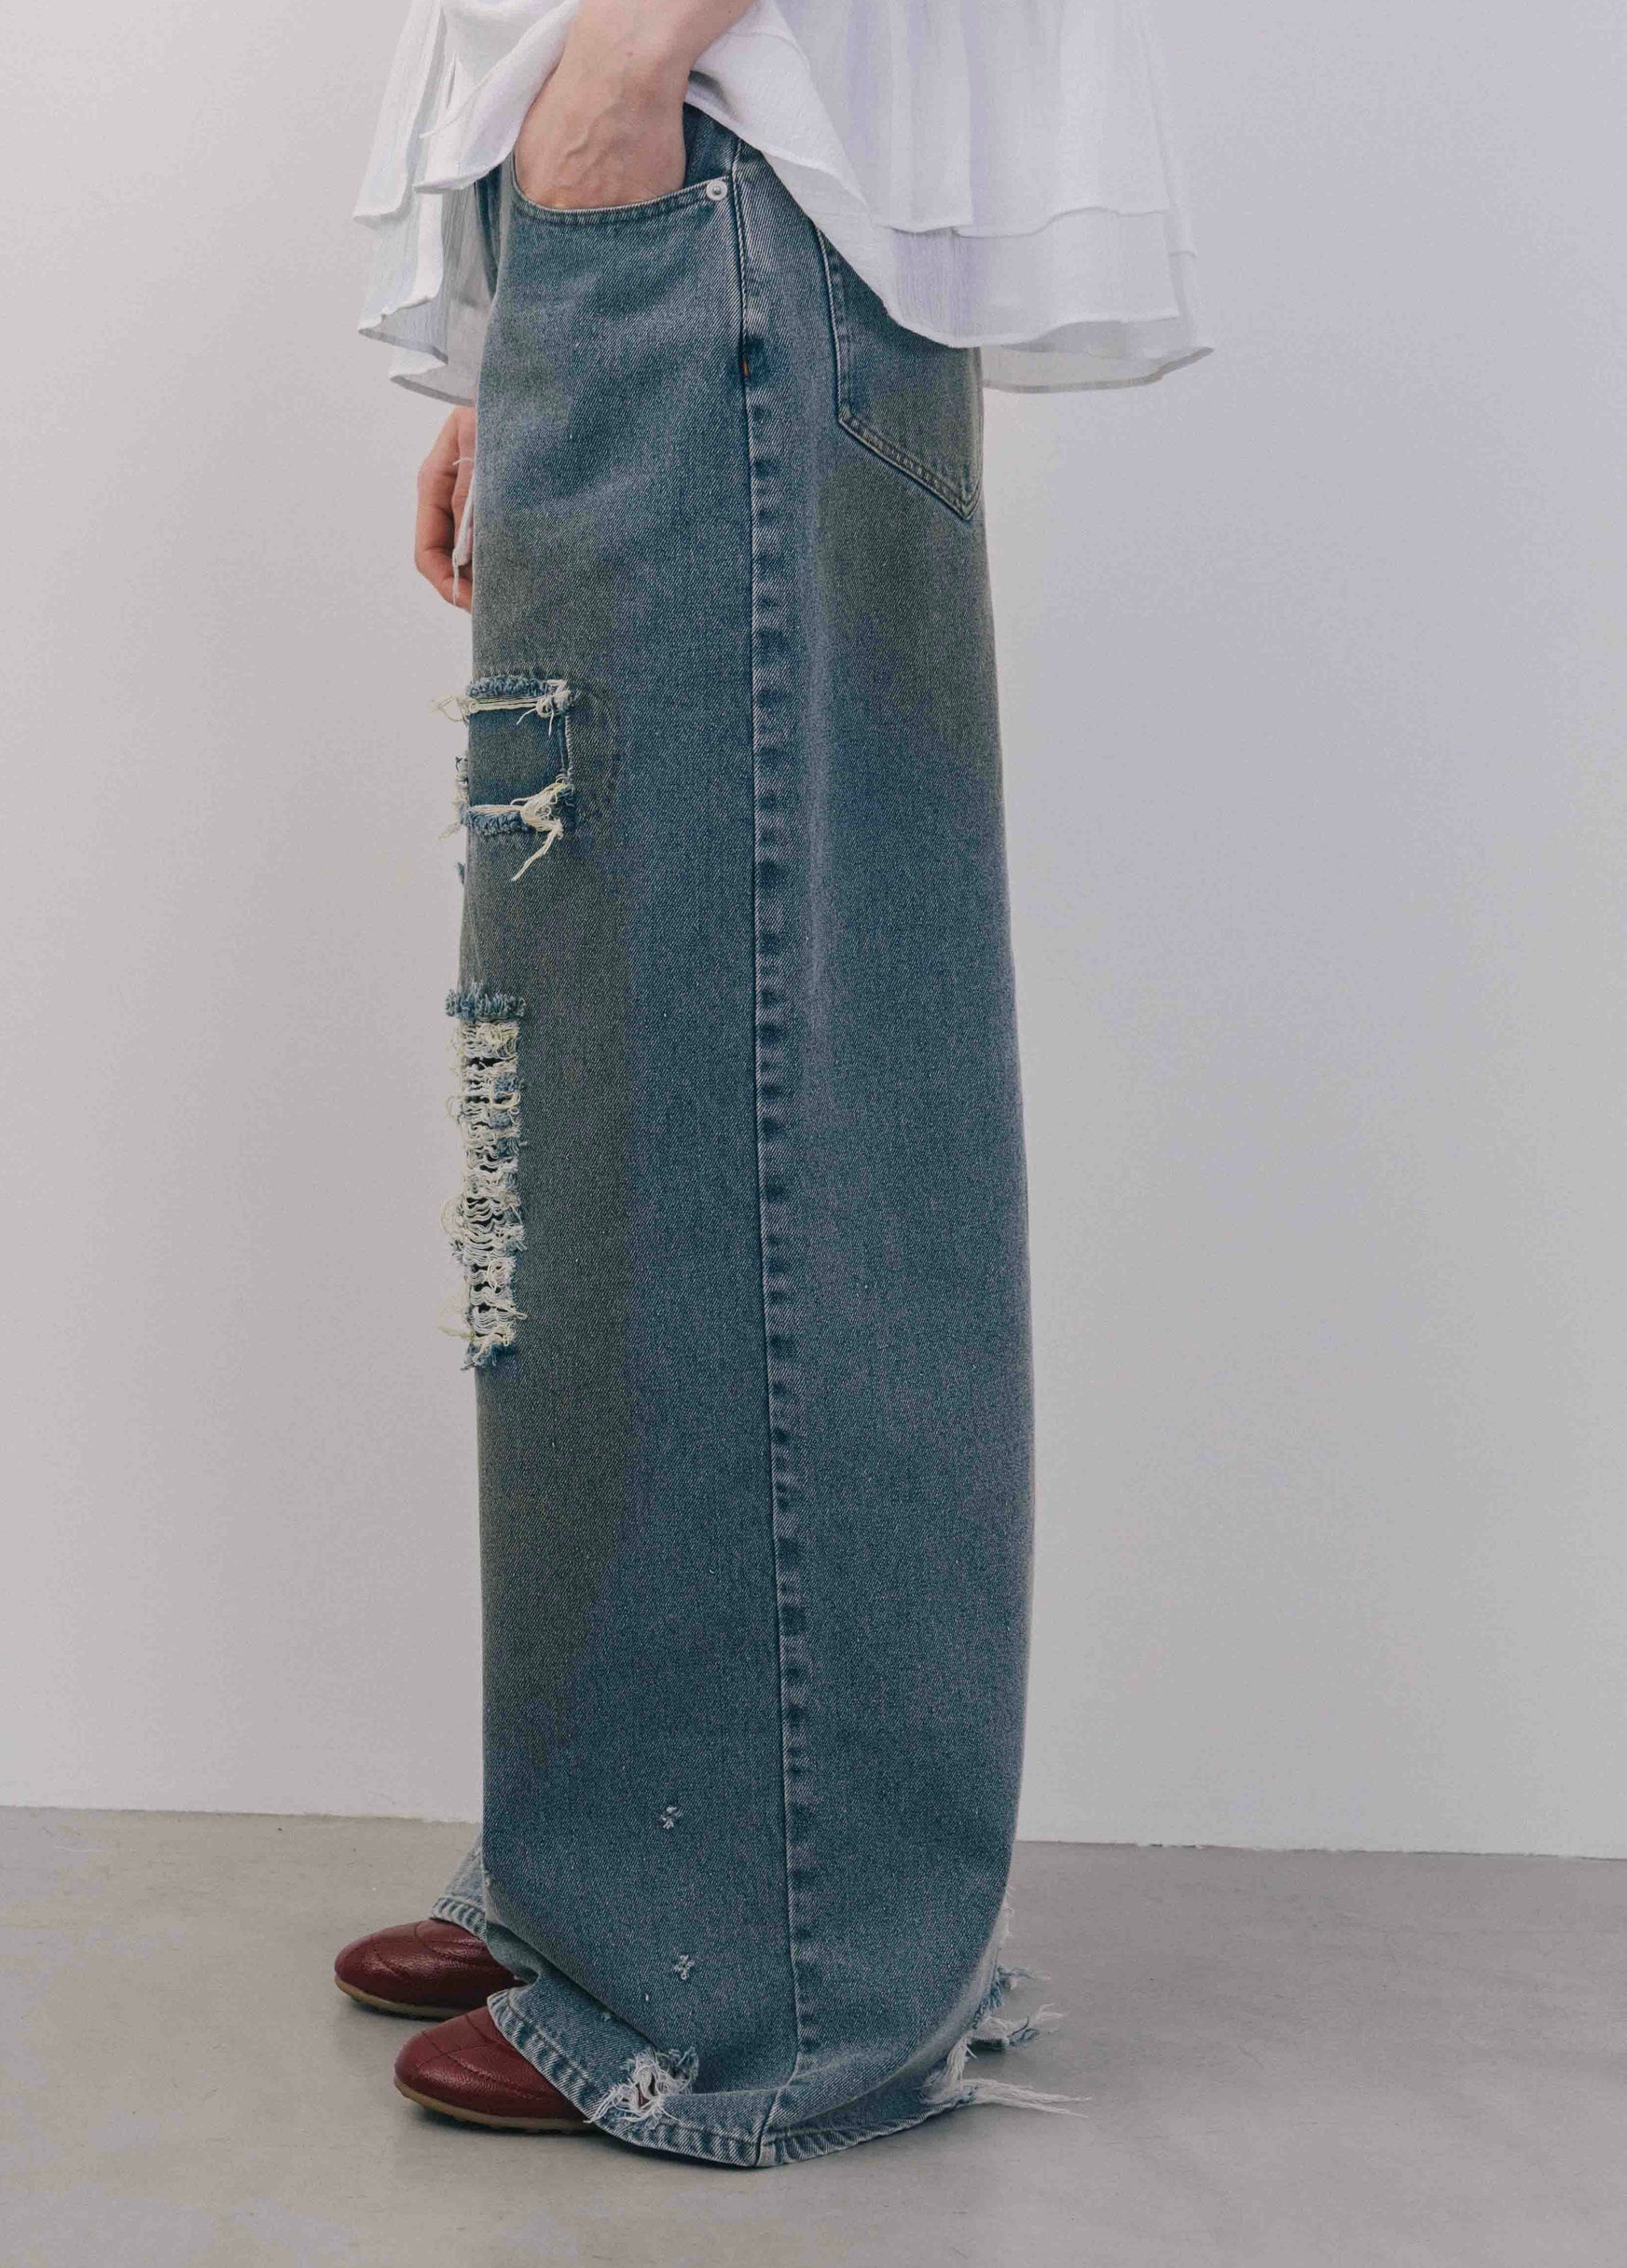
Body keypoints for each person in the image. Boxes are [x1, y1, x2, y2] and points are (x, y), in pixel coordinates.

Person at [335, 0, 1208, 2168]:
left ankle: (777, 1954)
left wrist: (630, 63)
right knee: (631, 1070)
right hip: (673, 209)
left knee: (734, 1076)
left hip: (717, 187)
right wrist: (522, 313)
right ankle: (613, 1865)